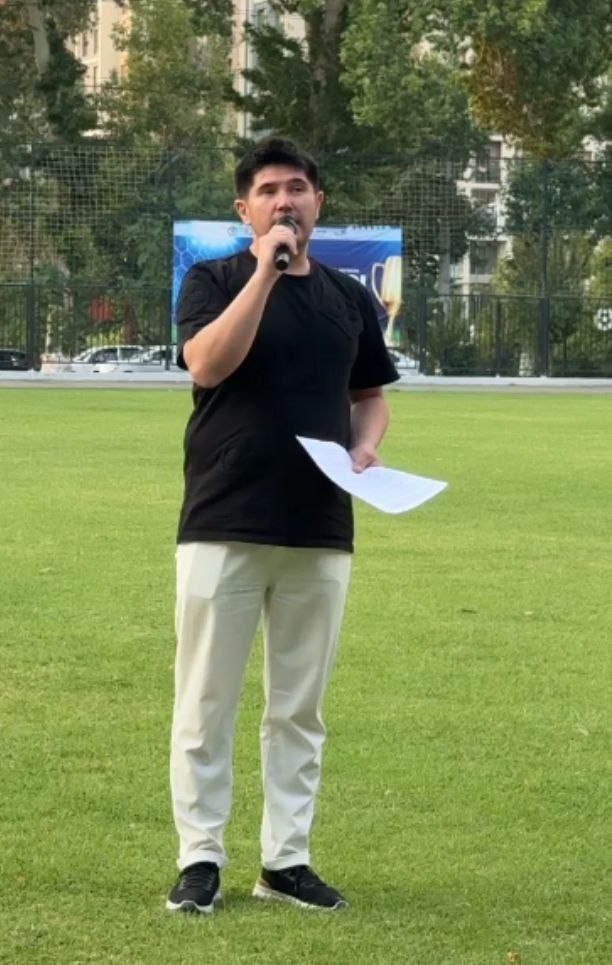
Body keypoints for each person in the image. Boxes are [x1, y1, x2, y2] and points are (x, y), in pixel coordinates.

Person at [166, 137, 399, 915]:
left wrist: (366, 445)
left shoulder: (348, 300)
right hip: (224, 517)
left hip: (319, 523)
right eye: (267, 190)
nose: (284, 200)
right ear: (246, 209)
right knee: (206, 702)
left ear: (318, 202)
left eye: (297, 187)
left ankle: (286, 860)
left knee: (299, 707)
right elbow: (207, 363)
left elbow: (369, 395)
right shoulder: (214, 280)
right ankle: (200, 857)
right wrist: (266, 272)